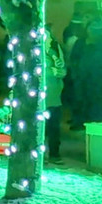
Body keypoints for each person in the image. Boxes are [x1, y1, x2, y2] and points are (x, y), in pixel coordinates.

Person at [43, 27, 67, 161]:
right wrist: (51, 72)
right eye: (48, 38)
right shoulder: (36, 55)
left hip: (55, 96)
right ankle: (41, 155)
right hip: (42, 99)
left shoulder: (53, 52)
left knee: (54, 127)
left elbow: (63, 70)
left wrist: (60, 71)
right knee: (43, 128)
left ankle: (54, 153)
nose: (51, 40)